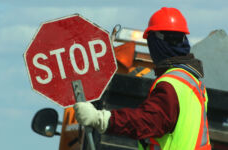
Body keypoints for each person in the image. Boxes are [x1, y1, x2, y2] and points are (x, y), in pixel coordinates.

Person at [74, 7, 211, 150]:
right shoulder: (193, 83)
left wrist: (101, 119)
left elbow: (147, 121)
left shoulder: (170, 84)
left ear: (155, 43)